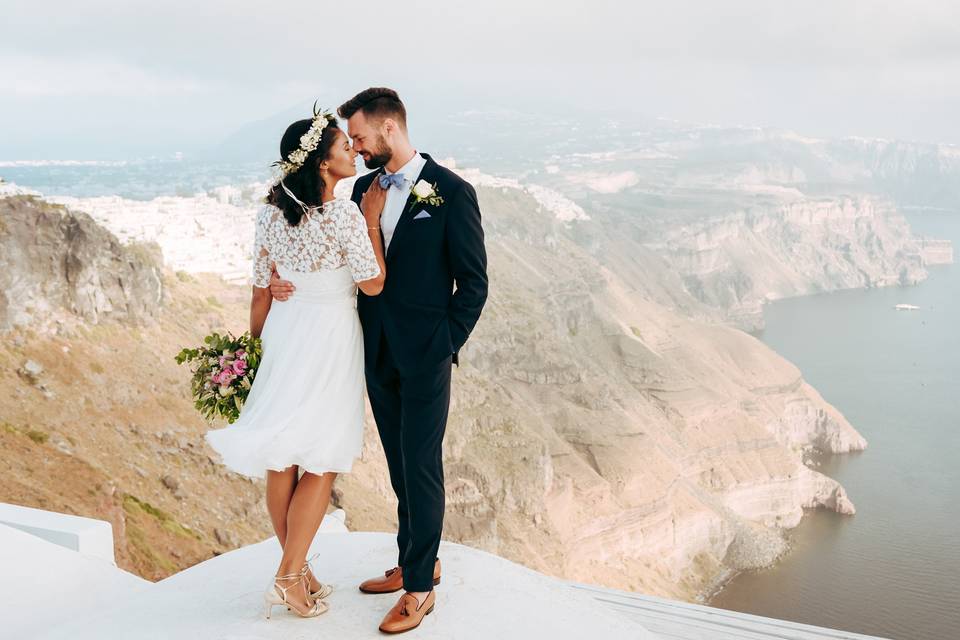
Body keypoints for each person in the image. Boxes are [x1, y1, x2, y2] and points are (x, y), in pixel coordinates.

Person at [270, 87, 488, 633]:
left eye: (361, 137)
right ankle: (418, 560)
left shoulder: (452, 192)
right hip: (372, 350)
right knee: (398, 463)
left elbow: (474, 285)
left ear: (389, 129)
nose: (358, 148)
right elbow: (338, 263)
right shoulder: (361, 190)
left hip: (426, 354)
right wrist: (282, 285)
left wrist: (444, 344)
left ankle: (419, 590)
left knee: (421, 465)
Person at [205, 107, 387, 620]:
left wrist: (254, 352)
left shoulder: (269, 213)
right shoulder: (345, 214)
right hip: (330, 337)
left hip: (285, 334)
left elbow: (262, 291)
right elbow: (372, 283)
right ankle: (289, 575)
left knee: (282, 455)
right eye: (343, 146)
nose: (352, 150)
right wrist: (370, 220)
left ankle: (297, 570)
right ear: (323, 163)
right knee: (322, 457)